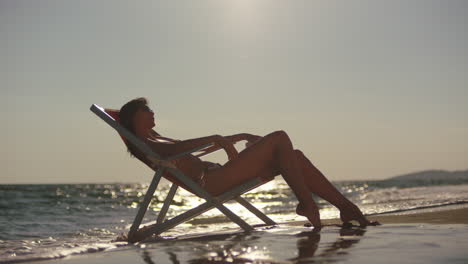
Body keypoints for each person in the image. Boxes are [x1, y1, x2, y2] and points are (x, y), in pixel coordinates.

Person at [119, 97, 378, 229]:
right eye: (146, 109)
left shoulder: (154, 138)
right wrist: (217, 139)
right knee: (279, 138)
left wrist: (237, 138)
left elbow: (188, 149)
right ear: (133, 119)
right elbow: (177, 149)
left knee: (293, 156)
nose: (152, 111)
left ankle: (347, 207)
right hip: (213, 183)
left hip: (219, 174)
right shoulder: (148, 145)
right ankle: (308, 204)